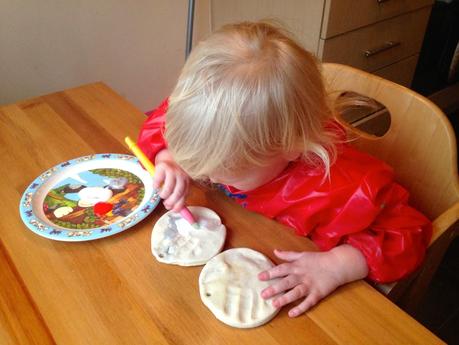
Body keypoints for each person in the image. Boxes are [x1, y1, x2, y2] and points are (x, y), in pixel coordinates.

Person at [137, 21, 432, 318]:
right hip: (260, 233)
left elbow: (410, 233)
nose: (208, 177)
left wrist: (338, 265)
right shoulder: (208, 121)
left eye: (223, 168)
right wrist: (169, 157)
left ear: (292, 147)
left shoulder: (345, 185)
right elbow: (164, 119)